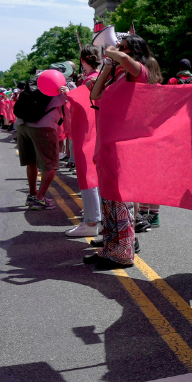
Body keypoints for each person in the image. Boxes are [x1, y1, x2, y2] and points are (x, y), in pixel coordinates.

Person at [85, 34, 161, 270]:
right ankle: (110, 247)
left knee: (120, 198)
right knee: (108, 196)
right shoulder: (119, 74)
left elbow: (126, 61)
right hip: (110, 141)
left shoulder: (140, 72)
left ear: (135, 51)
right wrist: (107, 67)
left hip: (125, 144)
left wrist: (112, 52)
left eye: (124, 47)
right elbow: (94, 95)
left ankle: (123, 252)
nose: (119, 50)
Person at [14, 72, 69, 211]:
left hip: (22, 124)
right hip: (43, 126)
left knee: (31, 161)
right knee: (50, 164)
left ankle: (33, 195)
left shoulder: (35, 81)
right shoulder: (61, 84)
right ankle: (40, 198)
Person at [65, 46, 104, 238]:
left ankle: (91, 221)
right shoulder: (99, 76)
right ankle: (95, 219)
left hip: (86, 130)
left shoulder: (91, 79)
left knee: (87, 175)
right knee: (93, 175)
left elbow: (84, 102)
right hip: (93, 129)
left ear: (83, 60)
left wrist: (69, 92)